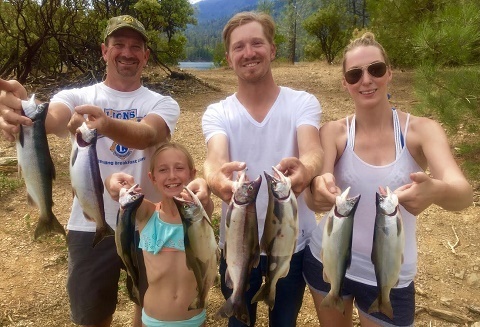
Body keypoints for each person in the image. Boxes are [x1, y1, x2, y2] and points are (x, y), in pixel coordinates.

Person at [0, 15, 181, 327]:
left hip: (149, 223)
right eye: (118, 45)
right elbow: (52, 118)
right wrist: (21, 111)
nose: (127, 52)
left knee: (150, 308)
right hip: (88, 224)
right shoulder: (76, 96)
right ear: (104, 51)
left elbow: (148, 135)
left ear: (146, 55)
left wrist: (105, 124)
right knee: (91, 315)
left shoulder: (162, 103)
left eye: (136, 46)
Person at [303, 32, 474, 327]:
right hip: (327, 261)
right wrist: (317, 189)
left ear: (389, 73)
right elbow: (314, 195)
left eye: (376, 69)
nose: (366, 80)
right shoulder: (333, 132)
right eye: (355, 74)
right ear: (345, 83)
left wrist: (436, 191)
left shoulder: (422, 131)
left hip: (390, 274)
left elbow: (464, 195)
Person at [202, 11, 323, 327]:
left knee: (284, 322)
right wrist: (215, 178)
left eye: (257, 43)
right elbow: (215, 157)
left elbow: (313, 152)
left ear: (272, 49)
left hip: (289, 246)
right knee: (238, 321)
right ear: (229, 58)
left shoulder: (302, 102)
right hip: (237, 246)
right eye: (239, 47)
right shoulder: (218, 112)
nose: (248, 52)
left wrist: (306, 170)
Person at [105, 142, 214, 327]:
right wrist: (112, 181)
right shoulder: (147, 213)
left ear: (192, 174)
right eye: (163, 170)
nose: (172, 175)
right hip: (154, 320)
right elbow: (115, 192)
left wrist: (203, 183)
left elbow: (205, 195)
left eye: (179, 168)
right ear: (152, 178)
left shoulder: (198, 214)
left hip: (194, 320)